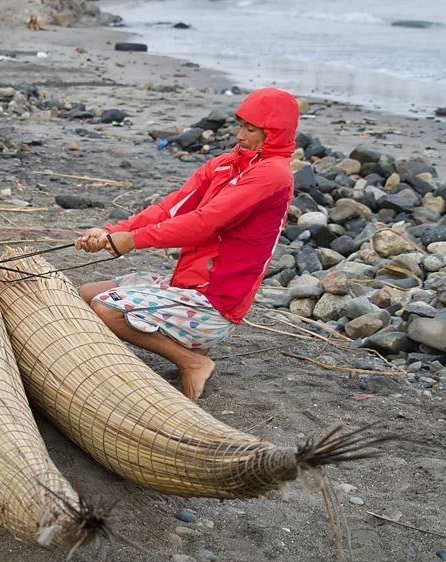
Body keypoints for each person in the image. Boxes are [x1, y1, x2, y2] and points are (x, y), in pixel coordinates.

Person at [76, 88, 299, 399]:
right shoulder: (225, 164)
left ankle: (191, 360)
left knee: (105, 309)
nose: (239, 135)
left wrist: (133, 240)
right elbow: (170, 209)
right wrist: (111, 230)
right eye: (240, 126)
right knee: (85, 294)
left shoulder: (273, 175)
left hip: (216, 300)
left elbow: (205, 222)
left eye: (250, 129)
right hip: (186, 284)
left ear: (274, 133)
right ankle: (161, 350)